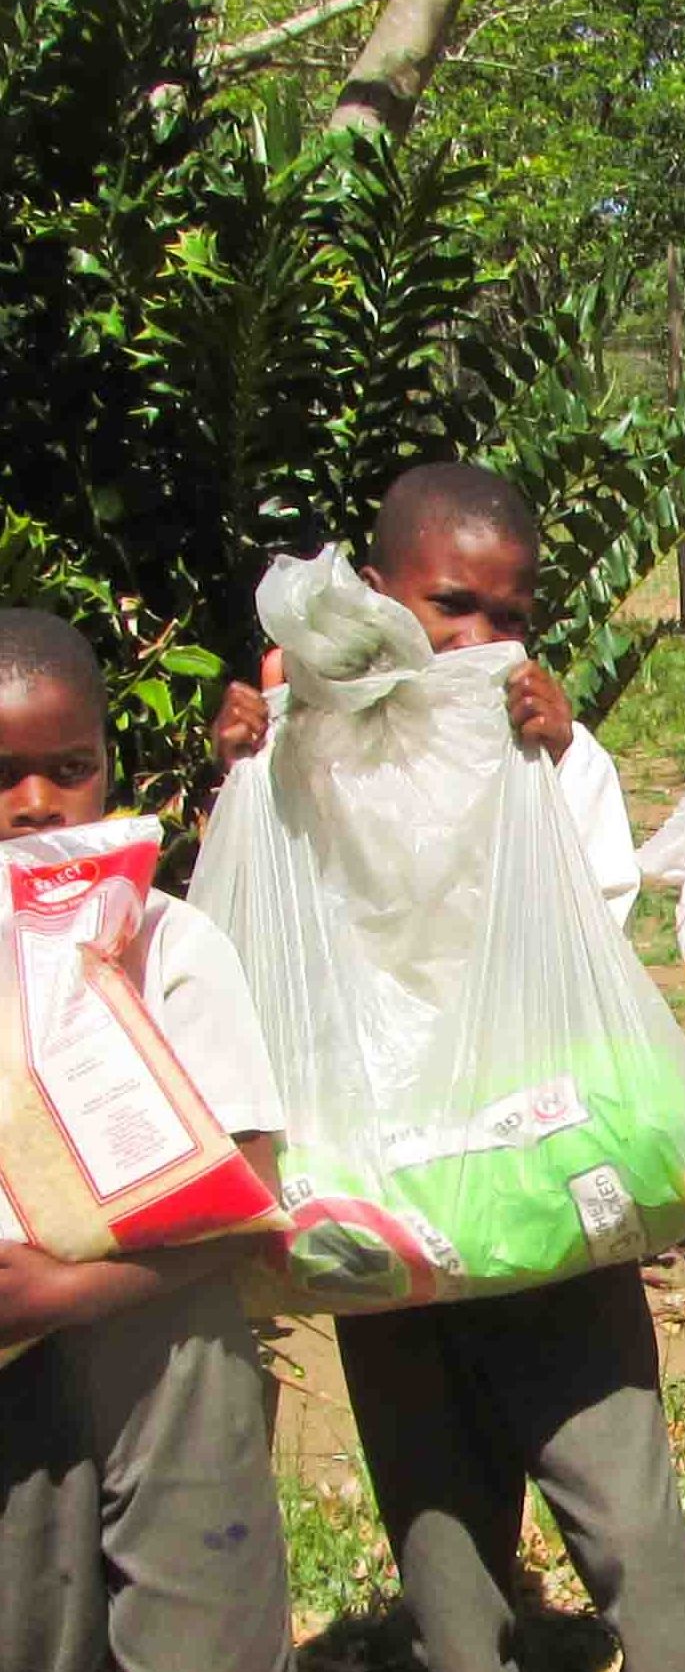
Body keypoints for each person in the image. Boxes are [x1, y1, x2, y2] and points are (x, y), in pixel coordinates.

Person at [214, 464, 685, 1672]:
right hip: (381, 1217)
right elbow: (265, 934)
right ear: (378, 595)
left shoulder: (556, 757)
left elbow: (587, 935)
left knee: (627, 1508)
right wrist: (247, 763)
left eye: (513, 617)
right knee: (439, 1531)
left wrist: (544, 773)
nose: (482, 642)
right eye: (453, 607)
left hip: (544, 1199)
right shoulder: (304, 761)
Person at [0, 608, 293, 1672]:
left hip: (170, 1355)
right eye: (3, 774)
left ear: (109, 768)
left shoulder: (170, 944)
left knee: (200, 1631)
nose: (35, 805)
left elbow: (254, 1192)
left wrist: (59, 1295)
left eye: (67, 768)